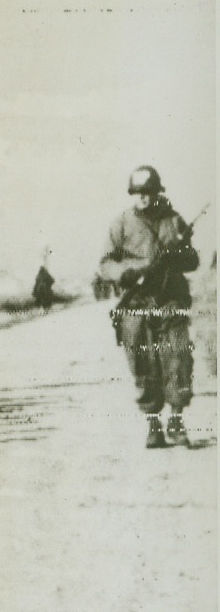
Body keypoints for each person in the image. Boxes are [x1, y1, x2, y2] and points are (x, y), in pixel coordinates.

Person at [99, 166, 200, 448]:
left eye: (148, 191)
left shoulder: (174, 221)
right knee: (144, 364)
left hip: (171, 301)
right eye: (138, 192)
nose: (143, 197)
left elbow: (192, 261)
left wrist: (179, 254)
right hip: (136, 304)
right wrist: (128, 272)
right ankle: (154, 424)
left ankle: (177, 422)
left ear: (157, 192)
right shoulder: (121, 224)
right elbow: (105, 264)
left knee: (178, 358)